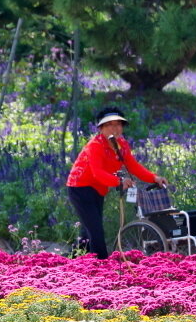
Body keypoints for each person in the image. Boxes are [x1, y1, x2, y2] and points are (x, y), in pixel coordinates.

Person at [66, 107, 166, 260]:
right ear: (101, 128)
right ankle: (102, 267)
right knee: (96, 230)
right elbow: (97, 173)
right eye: (109, 125)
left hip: (98, 189)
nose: (115, 128)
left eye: (118, 124)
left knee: (88, 231)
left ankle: (71, 262)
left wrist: (154, 178)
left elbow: (133, 166)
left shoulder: (122, 144)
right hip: (80, 188)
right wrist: (119, 181)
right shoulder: (95, 146)